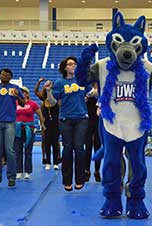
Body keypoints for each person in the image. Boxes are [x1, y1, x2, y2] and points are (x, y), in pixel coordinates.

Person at [44, 56, 88, 191]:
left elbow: (92, 93)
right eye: (70, 64)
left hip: (81, 118)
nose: (73, 66)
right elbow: (51, 103)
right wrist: (48, 91)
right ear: (64, 67)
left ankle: (80, 178)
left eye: (75, 64)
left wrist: (95, 92)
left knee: (79, 148)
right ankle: (67, 180)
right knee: (68, 149)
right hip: (65, 119)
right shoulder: (59, 82)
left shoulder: (83, 80)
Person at [0, 68, 25, 187]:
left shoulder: (15, 88)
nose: (5, 76)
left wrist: (17, 96)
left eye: (7, 75)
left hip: (10, 122)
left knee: (10, 150)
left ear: (11, 77)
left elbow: (23, 103)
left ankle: (11, 177)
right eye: (3, 74)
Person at [15, 87, 45, 180]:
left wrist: (42, 125)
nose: (23, 94)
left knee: (28, 151)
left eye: (24, 92)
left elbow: (40, 114)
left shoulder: (33, 104)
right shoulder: (15, 103)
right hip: (18, 129)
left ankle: (28, 171)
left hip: (29, 129)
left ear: (27, 94)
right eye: (21, 92)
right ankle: (18, 171)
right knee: (18, 151)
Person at [34, 77, 61, 169]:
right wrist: (39, 82)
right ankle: (48, 161)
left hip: (56, 124)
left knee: (55, 142)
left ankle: (56, 162)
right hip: (46, 124)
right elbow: (36, 91)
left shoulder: (56, 99)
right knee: (47, 143)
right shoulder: (43, 98)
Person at [85, 83, 101, 182]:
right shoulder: (87, 92)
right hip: (88, 121)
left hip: (98, 122)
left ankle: (97, 171)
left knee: (98, 147)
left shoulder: (102, 93)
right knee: (88, 147)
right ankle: (87, 170)